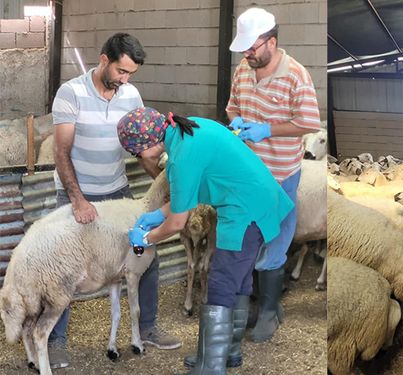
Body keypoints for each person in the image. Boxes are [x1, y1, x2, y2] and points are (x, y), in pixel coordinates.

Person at [118, 107, 294, 374]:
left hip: (245, 212)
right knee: (239, 279)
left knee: (222, 282)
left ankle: (211, 366)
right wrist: (155, 216)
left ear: (148, 143)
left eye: (135, 152)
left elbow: (178, 222)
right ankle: (228, 352)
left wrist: (146, 238)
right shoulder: (190, 130)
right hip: (254, 202)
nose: (139, 157)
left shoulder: (182, 157)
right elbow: (188, 196)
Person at [49, 33, 181, 369]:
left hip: (116, 189)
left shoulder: (131, 95)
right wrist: (77, 201)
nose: (125, 80)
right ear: (104, 59)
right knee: (65, 266)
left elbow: (142, 148)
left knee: (146, 252)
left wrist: (163, 184)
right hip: (77, 191)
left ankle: (147, 326)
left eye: (130, 74)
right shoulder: (71, 92)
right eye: (121, 71)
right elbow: (61, 152)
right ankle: (55, 340)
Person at [225, 7, 322, 342]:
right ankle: (255, 305)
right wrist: (236, 121)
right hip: (247, 172)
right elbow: (232, 106)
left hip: (281, 173)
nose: (248, 54)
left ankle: (269, 310)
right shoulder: (243, 69)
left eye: (252, 47)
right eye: (245, 49)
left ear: (272, 41)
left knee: (275, 242)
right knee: (248, 240)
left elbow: (309, 122)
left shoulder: (296, 74)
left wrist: (267, 129)